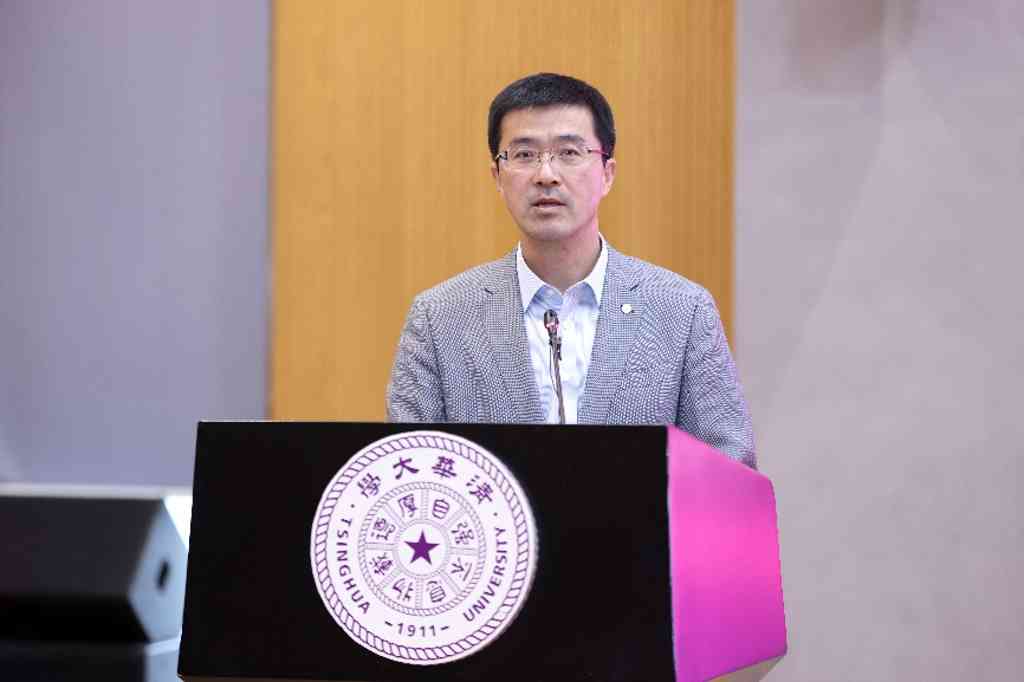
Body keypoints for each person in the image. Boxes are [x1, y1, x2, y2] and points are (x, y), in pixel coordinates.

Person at [386, 73, 756, 468]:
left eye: (569, 152)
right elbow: (406, 467)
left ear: (607, 174)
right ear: (497, 177)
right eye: (524, 155)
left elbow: (730, 468)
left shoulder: (682, 310)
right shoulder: (439, 317)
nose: (546, 174)